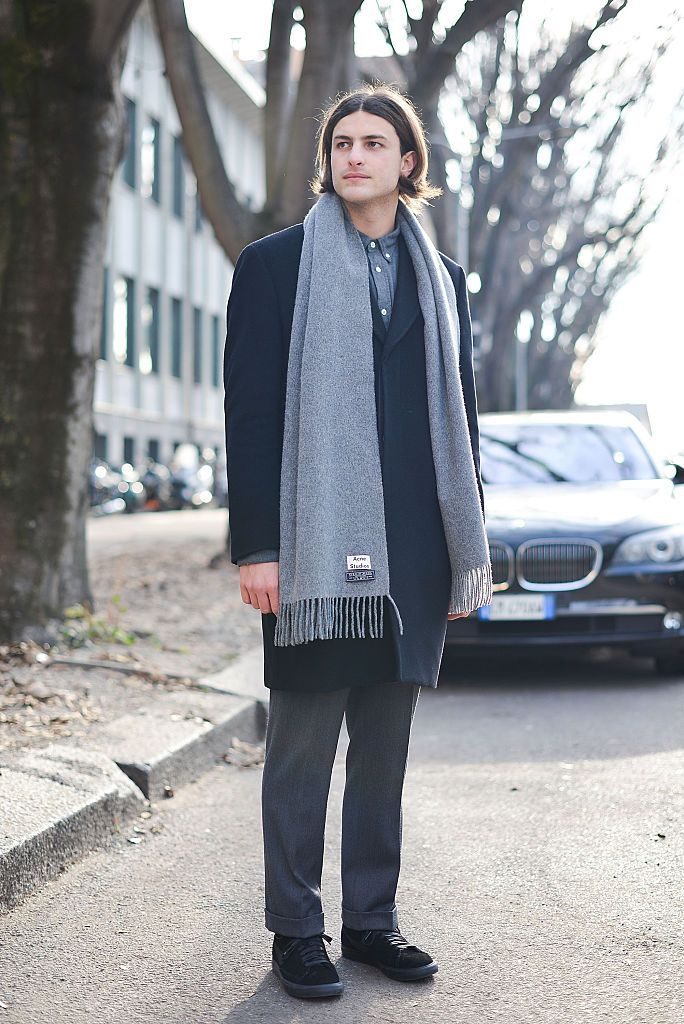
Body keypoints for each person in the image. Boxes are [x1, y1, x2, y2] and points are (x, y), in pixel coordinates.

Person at [223, 84, 492, 1000]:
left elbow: (464, 420)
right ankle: (296, 930)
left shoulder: (443, 278)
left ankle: (371, 922)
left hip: (414, 543)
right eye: (343, 142)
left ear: (408, 163)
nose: (355, 157)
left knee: (385, 743)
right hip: (313, 539)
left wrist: (466, 544)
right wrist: (257, 545)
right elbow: (251, 413)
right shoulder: (275, 266)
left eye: (375, 143)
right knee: (303, 744)